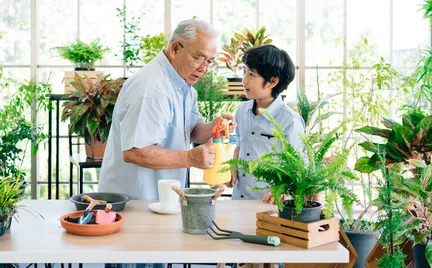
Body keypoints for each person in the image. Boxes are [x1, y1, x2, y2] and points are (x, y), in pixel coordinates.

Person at [98, 19, 236, 201]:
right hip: (135, 202)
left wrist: (213, 127)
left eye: (209, 61)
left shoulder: (184, 86)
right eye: (198, 58)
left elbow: (192, 130)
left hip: (160, 199)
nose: (203, 68)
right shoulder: (151, 89)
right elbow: (135, 151)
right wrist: (190, 159)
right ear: (175, 49)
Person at [226, 44, 305, 205]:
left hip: (269, 205)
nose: (244, 80)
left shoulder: (290, 121)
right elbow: (240, 145)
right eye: (244, 71)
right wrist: (233, 168)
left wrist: (282, 191)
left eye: (252, 74)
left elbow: (299, 167)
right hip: (239, 200)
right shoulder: (241, 111)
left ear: (273, 81)